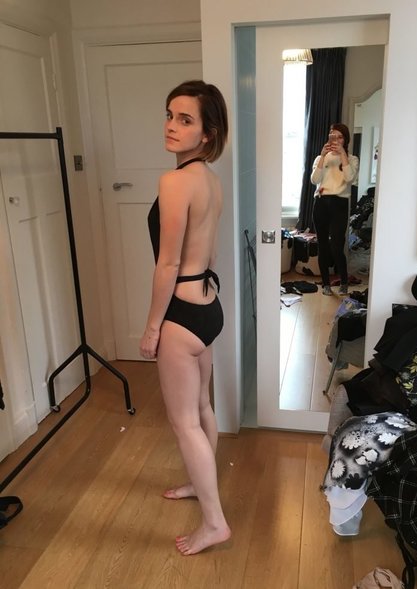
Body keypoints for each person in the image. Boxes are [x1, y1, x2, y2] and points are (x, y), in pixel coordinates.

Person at [139, 80, 231, 555]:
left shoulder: (175, 182)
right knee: (201, 409)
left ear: (207, 133)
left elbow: (169, 263)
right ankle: (201, 482)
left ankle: (214, 522)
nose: (171, 126)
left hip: (180, 313)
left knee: (184, 423)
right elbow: (208, 253)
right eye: (169, 115)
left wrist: (153, 327)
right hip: (208, 306)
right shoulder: (210, 181)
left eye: (185, 119)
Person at [311, 123, 359, 296]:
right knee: (322, 245)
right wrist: (323, 156)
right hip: (321, 203)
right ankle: (326, 284)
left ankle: (344, 281)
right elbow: (314, 180)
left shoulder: (352, 159)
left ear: (345, 140)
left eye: (340, 137)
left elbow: (349, 178)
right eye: (333, 136)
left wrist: (343, 154)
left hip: (339, 204)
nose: (336, 140)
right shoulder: (320, 157)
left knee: (337, 246)